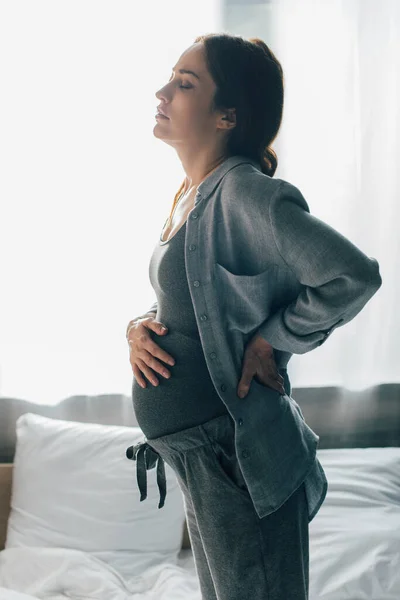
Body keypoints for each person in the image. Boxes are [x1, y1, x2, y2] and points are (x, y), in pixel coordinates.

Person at [125, 34, 382, 600]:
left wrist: (272, 341)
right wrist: (137, 327)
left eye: (185, 84)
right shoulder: (192, 194)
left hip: (238, 460)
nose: (163, 91)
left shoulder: (244, 193)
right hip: (206, 462)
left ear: (228, 116)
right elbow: (194, 302)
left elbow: (353, 275)